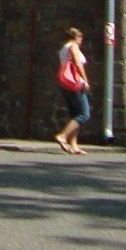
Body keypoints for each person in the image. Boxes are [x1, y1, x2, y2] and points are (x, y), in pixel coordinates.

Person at [54, 27, 89, 155]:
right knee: (84, 114)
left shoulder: (63, 48)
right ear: (76, 37)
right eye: (80, 38)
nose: (81, 41)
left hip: (65, 84)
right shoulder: (73, 46)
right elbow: (78, 64)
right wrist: (85, 80)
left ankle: (74, 145)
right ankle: (63, 136)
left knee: (74, 114)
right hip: (76, 83)